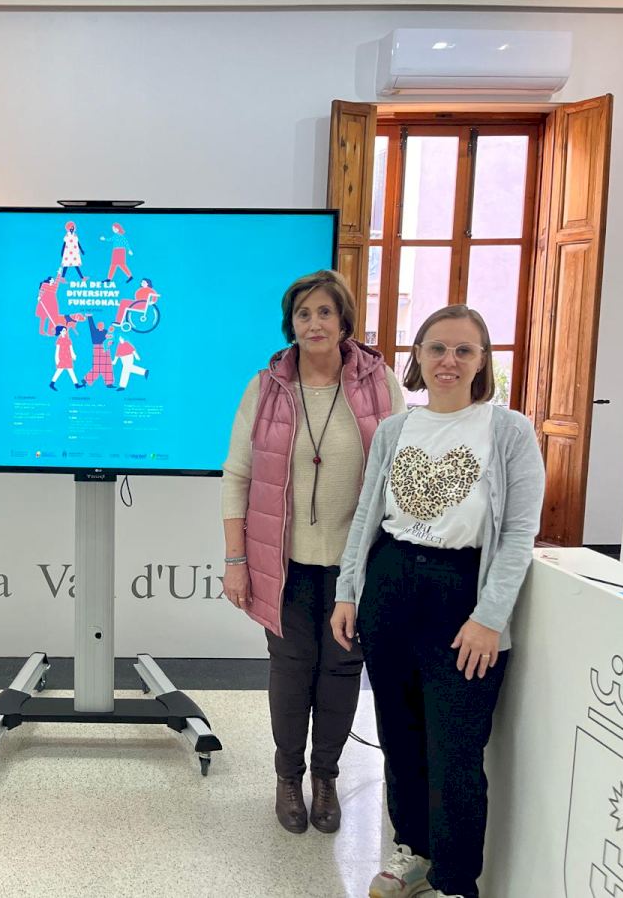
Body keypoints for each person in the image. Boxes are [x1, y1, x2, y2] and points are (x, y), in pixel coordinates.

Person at [330, 305, 545, 898]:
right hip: (391, 585)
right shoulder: (395, 430)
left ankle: (455, 881)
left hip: (461, 595)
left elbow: (519, 534)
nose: (449, 361)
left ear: (482, 362)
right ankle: (414, 853)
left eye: (463, 350)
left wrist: (489, 618)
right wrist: (349, 591)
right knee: (400, 739)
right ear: (418, 357)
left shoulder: (509, 431)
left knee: (456, 751)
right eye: (437, 348)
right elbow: (366, 518)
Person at [221, 269, 404, 836]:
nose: (314, 323)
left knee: (342, 670)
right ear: (291, 324)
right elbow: (237, 476)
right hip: (284, 564)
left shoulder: (379, 383)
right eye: (303, 313)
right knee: (290, 670)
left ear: (344, 320)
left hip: (357, 564)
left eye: (325, 311)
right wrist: (235, 561)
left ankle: (325, 777)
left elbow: (399, 472)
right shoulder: (266, 387)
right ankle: (287, 777)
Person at [50, 324, 83, 390]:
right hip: (62, 358)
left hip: (68, 358)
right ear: (60, 332)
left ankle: (76, 385)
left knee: (70, 371)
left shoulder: (68, 340)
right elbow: (57, 351)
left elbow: (71, 349)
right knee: (59, 371)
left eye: (65, 330)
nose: (65, 332)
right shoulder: (59, 340)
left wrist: (73, 355)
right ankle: (52, 384)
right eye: (64, 330)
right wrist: (56, 359)